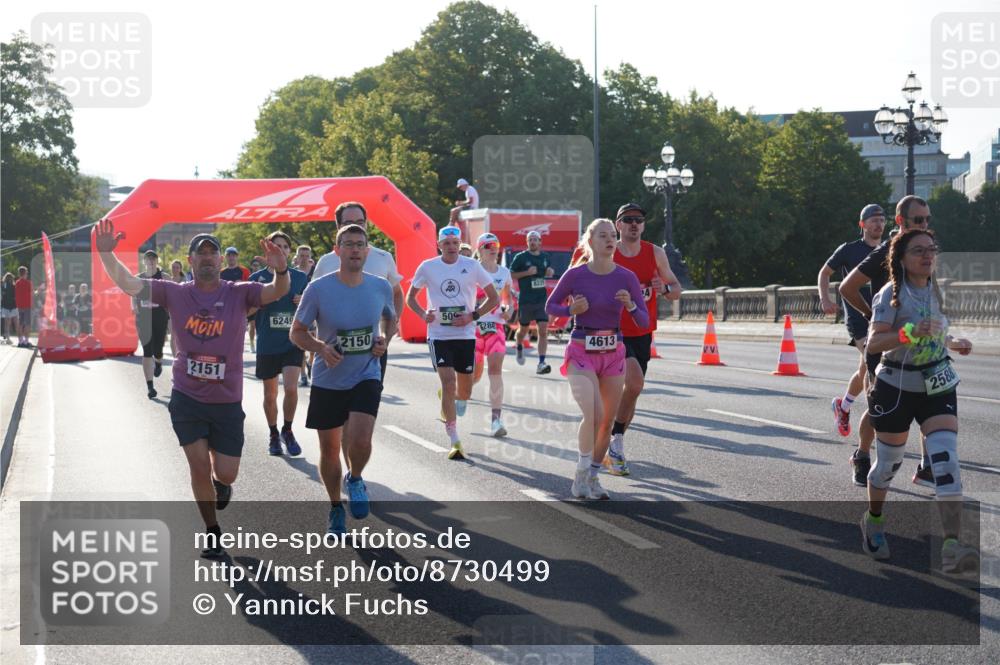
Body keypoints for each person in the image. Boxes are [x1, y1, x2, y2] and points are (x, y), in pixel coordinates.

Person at [95, 220, 289, 558]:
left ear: (220, 261)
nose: (209, 259)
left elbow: (277, 291)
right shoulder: (175, 292)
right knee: (198, 466)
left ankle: (222, 484)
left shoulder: (240, 292)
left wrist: (282, 268)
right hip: (187, 397)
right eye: (202, 254)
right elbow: (129, 283)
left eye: (213, 254)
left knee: (225, 471)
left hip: (227, 400)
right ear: (191, 261)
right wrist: (106, 253)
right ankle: (212, 531)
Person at [860, 228, 978, 574]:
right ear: (902, 259)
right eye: (918, 251)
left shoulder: (940, 292)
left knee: (946, 462)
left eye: (931, 250)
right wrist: (908, 332)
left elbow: (940, 331)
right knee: (888, 465)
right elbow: (874, 343)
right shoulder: (891, 296)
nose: (927, 256)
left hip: (937, 382)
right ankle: (874, 520)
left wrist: (954, 342)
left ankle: (952, 544)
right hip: (896, 385)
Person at [290, 224, 396, 535]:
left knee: (361, 439)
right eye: (347, 244)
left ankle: (357, 477)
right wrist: (321, 348)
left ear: (367, 251)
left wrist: (384, 340)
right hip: (328, 379)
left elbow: (390, 317)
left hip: (366, 373)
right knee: (329, 449)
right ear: (337, 251)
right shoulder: (319, 289)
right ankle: (336, 505)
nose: (354, 249)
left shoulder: (380, 286)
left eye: (359, 244)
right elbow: (296, 332)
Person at [546, 219, 648, 500]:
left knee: (608, 421)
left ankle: (592, 476)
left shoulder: (626, 277)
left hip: (613, 351)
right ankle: (579, 475)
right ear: (590, 241)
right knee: (594, 414)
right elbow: (550, 306)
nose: (610, 239)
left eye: (612, 235)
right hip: (581, 349)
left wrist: (630, 305)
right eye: (603, 235)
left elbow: (644, 318)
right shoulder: (576, 275)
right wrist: (570, 309)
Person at [840, 195, 934, 489]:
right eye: (918, 220)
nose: (924, 225)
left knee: (930, 399)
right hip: (885, 344)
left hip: (920, 343)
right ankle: (862, 455)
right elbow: (847, 287)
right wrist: (871, 315)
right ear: (901, 221)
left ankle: (927, 467)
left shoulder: (926, 253)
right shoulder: (885, 253)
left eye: (927, 220)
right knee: (879, 407)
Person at [406, 225, 499, 459]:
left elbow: (494, 297)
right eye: (446, 243)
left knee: (464, 392)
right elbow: (410, 297)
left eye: (454, 243)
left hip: (465, 335)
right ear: (439, 245)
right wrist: (422, 314)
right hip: (439, 334)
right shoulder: (428, 267)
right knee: (448, 383)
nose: (451, 247)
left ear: (459, 245)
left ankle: (449, 398)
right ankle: (455, 439)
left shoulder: (472, 266)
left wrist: (472, 316)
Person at [608, 203, 682, 476]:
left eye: (639, 219)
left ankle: (612, 443)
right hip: (613, 331)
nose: (634, 224)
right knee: (635, 382)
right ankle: (614, 442)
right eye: (628, 220)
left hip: (642, 331)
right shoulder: (609, 251)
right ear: (618, 225)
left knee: (633, 394)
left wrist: (663, 288)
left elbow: (676, 290)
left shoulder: (656, 253)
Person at [819, 204, 884, 482]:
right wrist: (825, 298)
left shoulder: (890, 249)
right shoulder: (849, 249)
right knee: (873, 373)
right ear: (862, 224)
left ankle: (843, 406)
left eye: (882, 220)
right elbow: (825, 273)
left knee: (863, 366)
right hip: (859, 320)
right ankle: (871, 437)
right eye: (873, 221)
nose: (878, 225)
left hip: (882, 318)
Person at [313, 202, 405, 383]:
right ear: (338, 226)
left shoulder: (382, 257)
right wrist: (319, 344)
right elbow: (313, 302)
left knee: (368, 405)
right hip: (335, 350)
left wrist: (387, 335)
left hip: (372, 348)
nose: (356, 226)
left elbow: (396, 294)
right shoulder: (326, 262)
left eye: (361, 221)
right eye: (348, 222)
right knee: (338, 408)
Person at [248, 231, 309, 457]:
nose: (281, 249)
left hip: (292, 341)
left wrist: (303, 301)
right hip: (267, 343)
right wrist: (261, 301)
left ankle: (288, 429)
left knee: (291, 388)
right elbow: (247, 312)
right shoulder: (256, 279)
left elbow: (313, 308)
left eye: (285, 246)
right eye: (276, 246)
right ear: (268, 250)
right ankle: (273, 433)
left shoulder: (301, 278)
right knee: (270, 394)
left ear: (289, 251)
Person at [471, 233, 515, 437]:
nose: (494, 248)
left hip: (496, 326)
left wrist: (508, 310)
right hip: (472, 328)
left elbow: (508, 300)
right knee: (473, 376)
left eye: (496, 244)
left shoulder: (504, 272)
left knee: (495, 369)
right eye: (488, 245)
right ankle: (457, 394)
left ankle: (496, 420)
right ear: (480, 249)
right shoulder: (471, 271)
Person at [509, 231, 555, 373]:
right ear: (527, 242)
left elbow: (546, 273)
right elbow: (510, 274)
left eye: (535, 239)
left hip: (541, 299)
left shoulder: (545, 257)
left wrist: (549, 273)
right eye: (530, 240)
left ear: (540, 242)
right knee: (523, 330)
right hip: (526, 300)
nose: (533, 242)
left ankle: (541, 362)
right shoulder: (521, 257)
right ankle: (518, 344)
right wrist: (526, 273)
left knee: (543, 329)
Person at [133, 250, 171, 399]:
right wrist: (133, 306)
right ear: (144, 262)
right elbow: (133, 292)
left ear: (157, 261)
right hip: (143, 316)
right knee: (147, 350)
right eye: (148, 259)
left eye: (153, 259)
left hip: (160, 314)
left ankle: (159, 362)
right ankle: (150, 387)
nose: (151, 262)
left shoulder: (164, 277)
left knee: (158, 348)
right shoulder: (138, 278)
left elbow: (171, 294)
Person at [448, 178, 479, 242]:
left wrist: (460, 203)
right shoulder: (469, 189)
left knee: (454, 211)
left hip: (472, 208)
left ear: (464, 185)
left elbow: (470, 201)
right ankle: (452, 224)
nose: (460, 188)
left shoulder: (469, 189)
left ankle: (451, 225)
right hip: (471, 207)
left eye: (460, 187)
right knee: (455, 211)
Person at [14, 266, 33, 348]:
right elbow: (32, 294)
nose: (27, 274)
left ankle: (20, 341)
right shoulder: (28, 283)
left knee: (20, 324)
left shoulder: (17, 283)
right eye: (27, 273)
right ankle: (26, 342)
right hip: (27, 306)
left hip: (19, 306)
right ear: (25, 273)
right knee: (27, 324)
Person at [1, 273, 16, 344]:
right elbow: (14, 296)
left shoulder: (3, 285)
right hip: (11, 306)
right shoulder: (13, 286)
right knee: (8, 322)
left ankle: (6, 335)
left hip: (5, 306)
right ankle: (8, 338)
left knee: (6, 322)